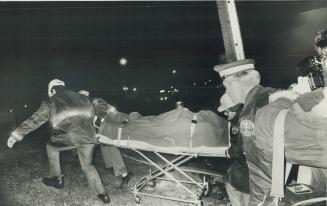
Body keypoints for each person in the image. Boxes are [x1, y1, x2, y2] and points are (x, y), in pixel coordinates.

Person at [7, 79, 111, 204]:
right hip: (89, 136)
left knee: (51, 147)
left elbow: (35, 120)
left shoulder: (50, 101)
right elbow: (95, 112)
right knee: (88, 166)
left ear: (52, 90)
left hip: (67, 136)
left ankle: (56, 179)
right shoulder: (82, 97)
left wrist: (16, 134)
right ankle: (102, 194)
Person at [214, 59, 277, 205]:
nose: (227, 92)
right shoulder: (270, 95)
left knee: (232, 179)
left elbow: (259, 164)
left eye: (227, 88)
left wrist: (257, 202)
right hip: (282, 176)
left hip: (267, 186)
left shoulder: (249, 112)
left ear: (235, 85)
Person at [78, 90, 132, 187]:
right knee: (105, 146)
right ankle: (111, 167)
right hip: (103, 129)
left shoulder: (96, 102)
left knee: (112, 148)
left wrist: (126, 119)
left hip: (111, 127)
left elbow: (113, 112)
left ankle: (125, 174)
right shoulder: (84, 108)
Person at [218, 93, 250, 206]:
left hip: (247, 172)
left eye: (226, 111)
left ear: (235, 109)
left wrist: (230, 152)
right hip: (245, 169)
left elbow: (244, 148)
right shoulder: (239, 120)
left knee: (233, 186)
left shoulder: (241, 123)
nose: (224, 114)